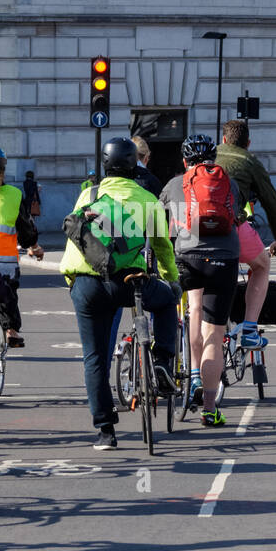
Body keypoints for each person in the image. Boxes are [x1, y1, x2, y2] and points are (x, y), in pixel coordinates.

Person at [62, 137, 179, 450]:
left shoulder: (89, 194)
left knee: (95, 357)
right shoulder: (146, 198)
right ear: (134, 164)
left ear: (104, 163)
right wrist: (172, 280)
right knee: (167, 301)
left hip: (86, 283)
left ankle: (105, 431)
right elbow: (162, 248)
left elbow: (77, 236)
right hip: (129, 281)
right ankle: (163, 362)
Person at [160, 134, 242, 427]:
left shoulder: (174, 184)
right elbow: (239, 215)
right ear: (214, 160)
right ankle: (210, 409)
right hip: (224, 258)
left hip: (188, 256)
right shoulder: (228, 182)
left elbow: (159, 221)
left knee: (191, 304)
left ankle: (190, 375)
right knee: (215, 335)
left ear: (185, 161)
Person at [215, 119, 276, 349]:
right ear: (248, 143)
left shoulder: (209, 155)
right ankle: (249, 329)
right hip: (231, 228)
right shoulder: (250, 161)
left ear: (224, 139)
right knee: (262, 265)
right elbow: (271, 201)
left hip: (196, 231)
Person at [0, 146, 43, 349]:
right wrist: (35, 247)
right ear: (3, 170)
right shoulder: (14, 194)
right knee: (8, 294)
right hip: (4, 264)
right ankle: (10, 330)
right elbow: (26, 229)